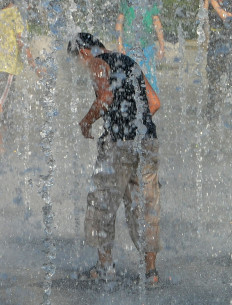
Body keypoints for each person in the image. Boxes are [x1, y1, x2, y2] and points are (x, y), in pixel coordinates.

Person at [67, 32, 162, 284]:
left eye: (77, 61)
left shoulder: (98, 63)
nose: (81, 67)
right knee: (145, 205)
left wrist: (86, 123)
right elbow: (154, 102)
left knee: (102, 202)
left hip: (119, 144)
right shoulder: (129, 62)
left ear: (83, 52)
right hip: (147, 141)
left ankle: (103, 267)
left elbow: (105, 98)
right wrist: (134, 122)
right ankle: (150, 272)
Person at [0, 0, 42, 153]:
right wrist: (35, 67)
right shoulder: (16, 16)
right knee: (3, 105)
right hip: (8, 67)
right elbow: (23, 43)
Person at [203, 0, 232, 122]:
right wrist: (206, 2)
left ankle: (230, 112)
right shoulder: (211, 6)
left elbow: (226, 18)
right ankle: (212, 113)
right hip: (213, 48)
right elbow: (201, 18)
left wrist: (214, 2)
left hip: (226, 48)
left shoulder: (229, 3)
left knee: (228, 82)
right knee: (212, 81)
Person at [116, 0, 166, 90]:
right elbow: (119, 23)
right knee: (129, 75)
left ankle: (151, 100)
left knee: (149, 76)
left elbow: (157, 24)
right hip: (130, 46)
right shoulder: (126, 0)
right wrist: (120, 45)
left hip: (147, 47)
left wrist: (162, 46)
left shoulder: (150, 2)